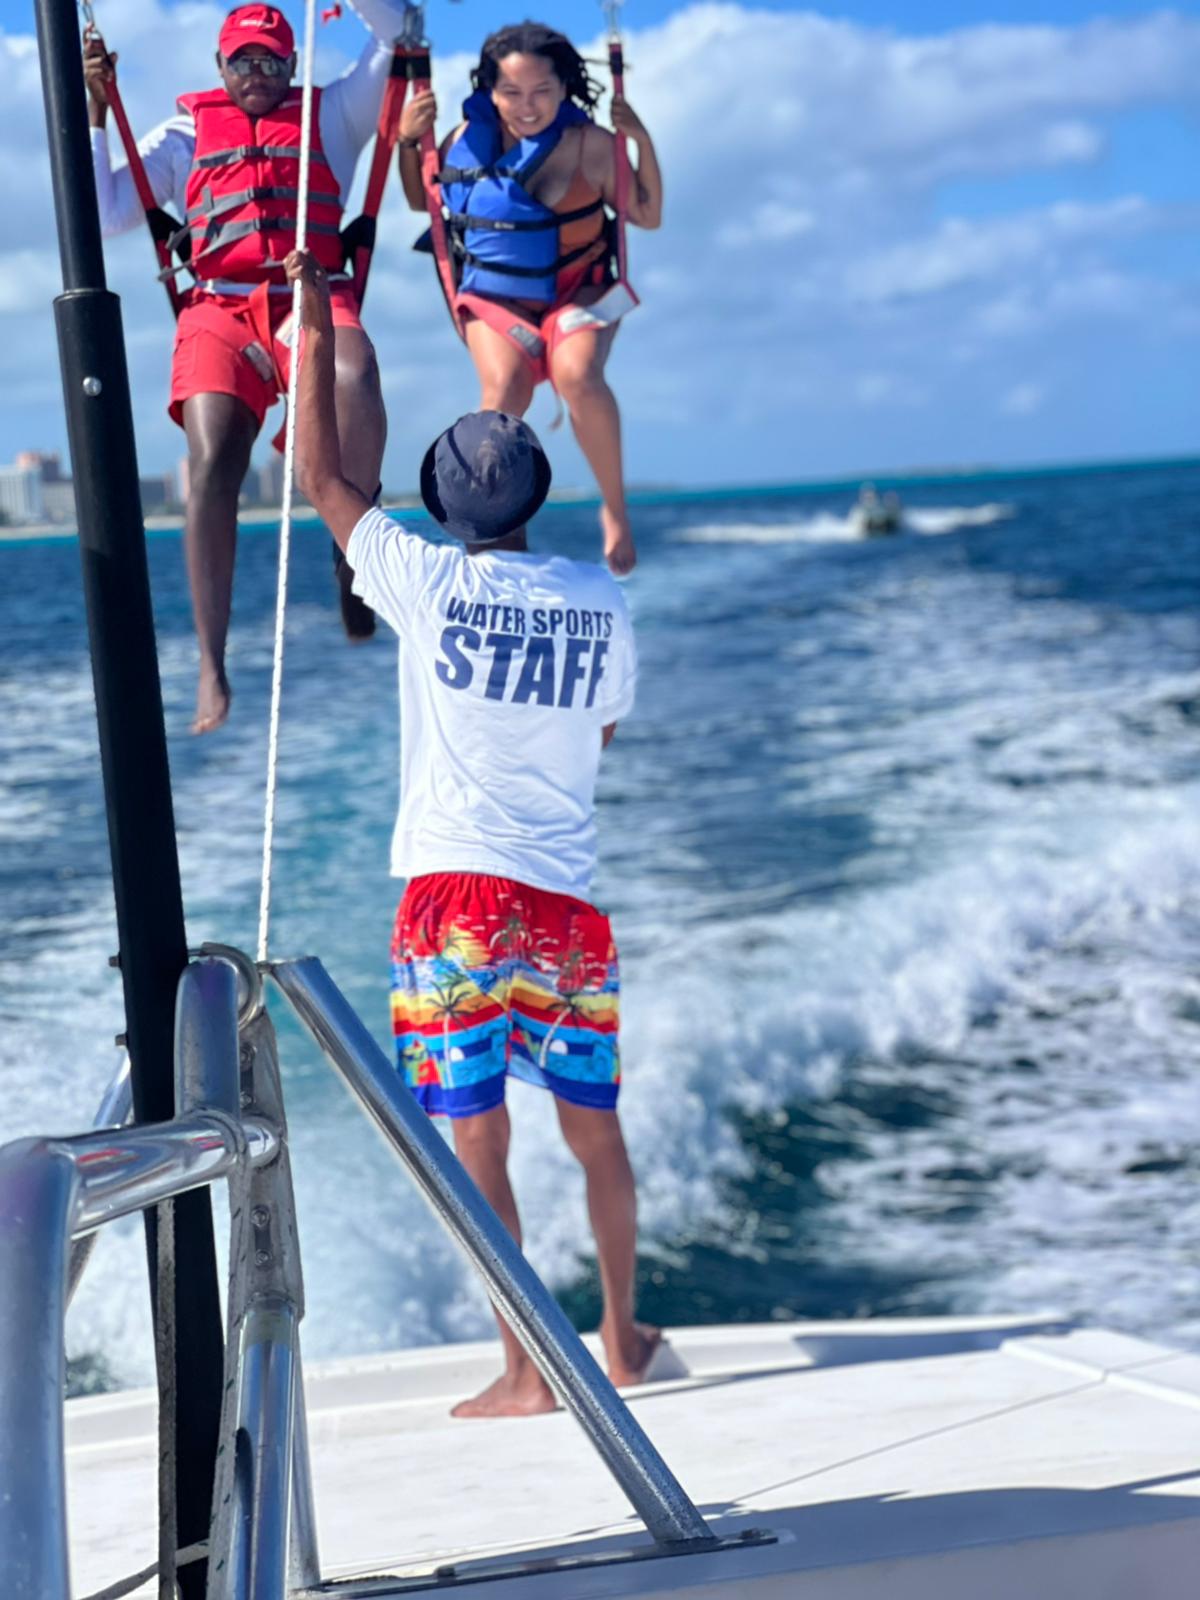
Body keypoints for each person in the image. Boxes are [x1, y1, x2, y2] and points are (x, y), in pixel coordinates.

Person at [285, 245, 661, 1417]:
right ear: (539, 495)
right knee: (593, 1129)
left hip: (454, 899)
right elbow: (598, 736)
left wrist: (308, 319)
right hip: (566, 903)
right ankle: (622, 1329)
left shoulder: (427, 580)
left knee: (473, 1137)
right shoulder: (600, 600)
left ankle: (525, 1371)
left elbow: (317, 474)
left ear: (445, 508)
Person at [85, 1, 406, 733]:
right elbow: (106, 212)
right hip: (218, 309)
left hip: (307, 294)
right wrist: (96, 111)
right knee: (212, 460)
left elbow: (400, 31)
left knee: (355, 378)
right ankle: (212, 659)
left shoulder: (333, 115)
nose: (256, 75)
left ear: (293, 64)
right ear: (219, 66)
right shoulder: (184, 134)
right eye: (242, 62)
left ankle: (354, 551)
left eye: (270, 61)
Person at [395, 21, 663, 579]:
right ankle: (488, 531)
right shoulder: (461, 141)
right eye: (512, 92)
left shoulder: (592, 146)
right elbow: (424, 202)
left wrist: (639, 140)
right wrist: (404, 142)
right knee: (502, 391)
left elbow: (647, 215)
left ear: (564, 86)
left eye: (542, 91)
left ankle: (615, 512)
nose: (528, 106)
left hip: (580, 292)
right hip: (498, 301)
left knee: (577, 375)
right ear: (490, 91)